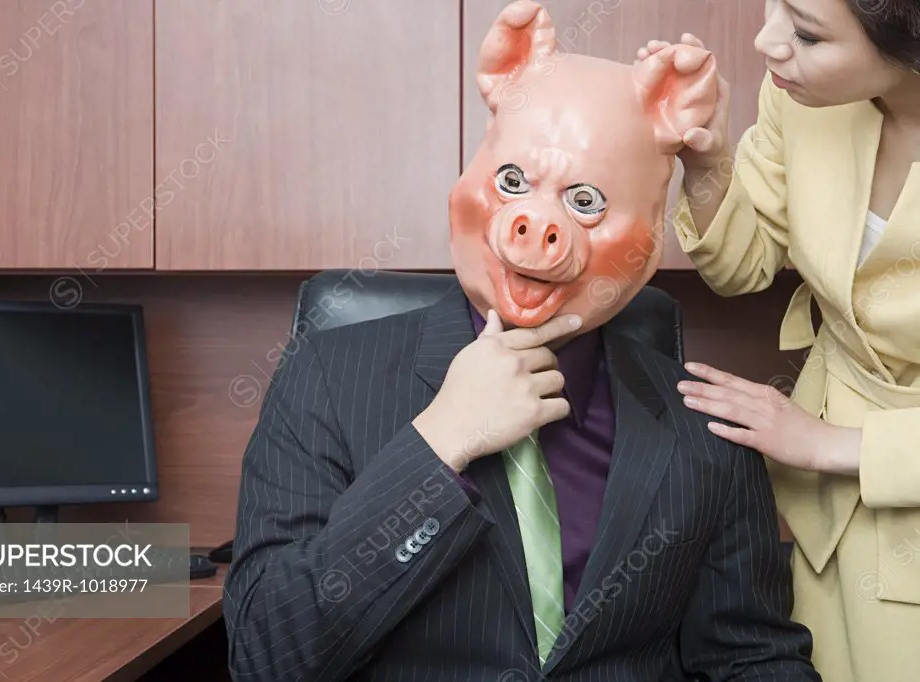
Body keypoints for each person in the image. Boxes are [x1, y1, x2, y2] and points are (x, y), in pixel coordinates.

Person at [223, 2, 819, 680]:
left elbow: (751, 659)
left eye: (586, 201)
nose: (536, 225)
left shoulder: (706, 438)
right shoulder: (325, 378)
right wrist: (438, 443)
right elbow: (268, 656)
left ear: (650, 230)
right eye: (513, 184)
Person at [636, 1, 920, 680]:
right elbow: (741, 266)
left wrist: (832, 445)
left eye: (807, 33)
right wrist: (706, 163)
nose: (766, 43)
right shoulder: (802, 97)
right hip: (814, 510)